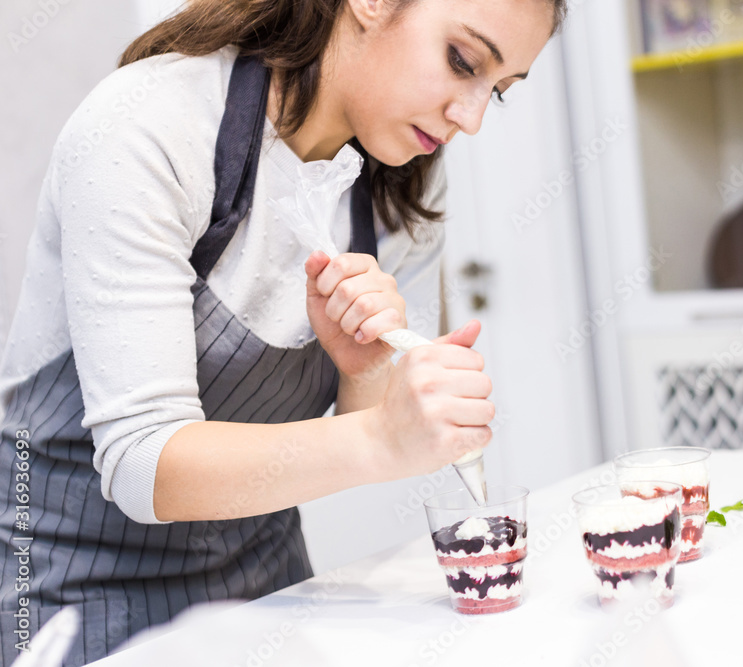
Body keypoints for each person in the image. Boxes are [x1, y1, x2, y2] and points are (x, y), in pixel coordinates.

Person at [0, 0, 566, 663]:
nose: (469, 118)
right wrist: (384, 436)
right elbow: (141, 463)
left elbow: (365, 418)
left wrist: (363, 367)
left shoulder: (404, 184)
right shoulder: (145, 126)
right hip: (73, 590)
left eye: (495, 94)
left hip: (264, 591)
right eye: (462, 61)